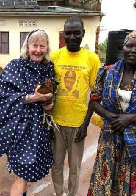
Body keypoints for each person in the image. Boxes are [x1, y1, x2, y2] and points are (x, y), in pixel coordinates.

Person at [87, 30, 136, 196]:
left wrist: (131, 118)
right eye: (129, 45)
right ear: (123, 47)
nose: (134, 50)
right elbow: (94, 100)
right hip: (111, 137)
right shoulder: (107, 72)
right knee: (107, 182)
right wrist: (110, 116)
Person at [0, 29, 55, 196]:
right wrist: (33, 98)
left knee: (27, 171)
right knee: (22, 174)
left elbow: (52, 93)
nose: (38, 50)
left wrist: (49, 103)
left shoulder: (48, 68)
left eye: (42, 46)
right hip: (19, 127)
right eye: (34, 46)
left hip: (39, 128)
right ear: (27, 47)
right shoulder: (16, 66)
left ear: (47, 48)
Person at [50, 16, 101, 196]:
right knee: (56, 164)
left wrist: (85, 124)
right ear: (64, 34)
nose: (72, 37)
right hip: (55, 123)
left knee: (74, 167)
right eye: (68, 33)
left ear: (83, 34)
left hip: (78, 124)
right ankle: (58, 193)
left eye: (76, 33)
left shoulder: (92, 59)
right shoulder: (55, 56)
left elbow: (96, 96)